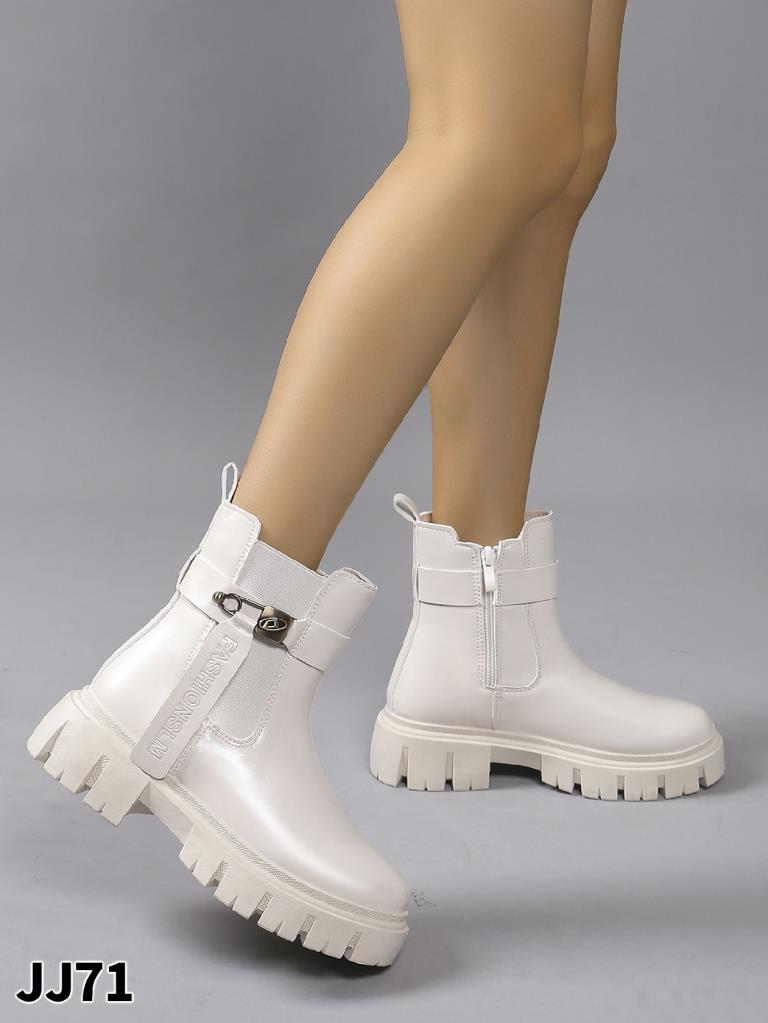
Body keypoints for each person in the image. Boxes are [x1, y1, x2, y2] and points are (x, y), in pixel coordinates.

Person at [28, 0, 723, 968]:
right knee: (491, 128)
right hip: (208, 672)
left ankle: (485, 648)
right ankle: (214, 663)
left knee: (564, 144)